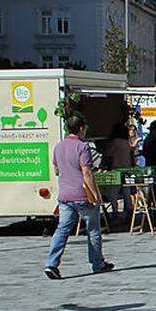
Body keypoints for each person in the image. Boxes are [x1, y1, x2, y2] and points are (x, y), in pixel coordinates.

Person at [44, 114, 115, 278]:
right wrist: (96, 195)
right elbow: (87, 173)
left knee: (62, 230)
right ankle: (98, 263)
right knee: (93, 230)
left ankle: (51, 263)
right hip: (83, 195)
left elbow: (56, 170)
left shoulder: (59, 147)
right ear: (81, 128)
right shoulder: (82, 147)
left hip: (64, 195)